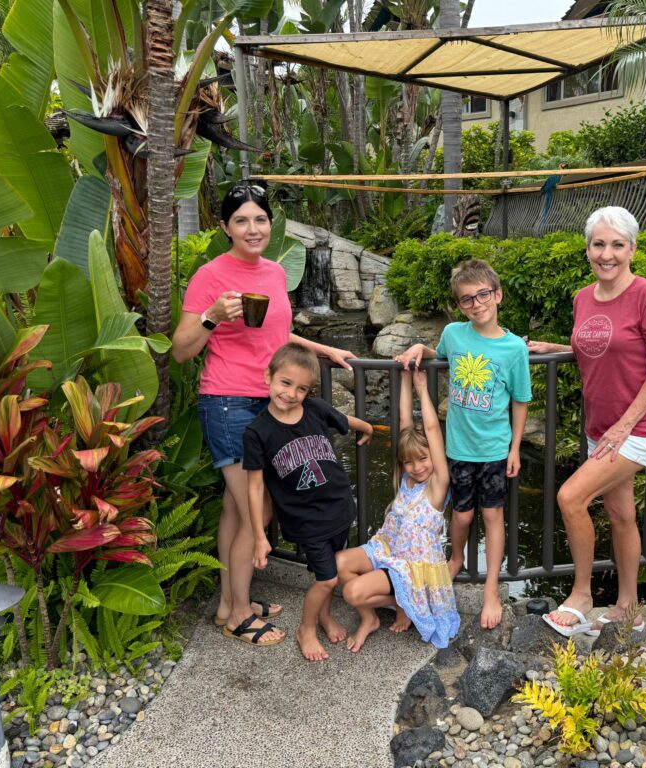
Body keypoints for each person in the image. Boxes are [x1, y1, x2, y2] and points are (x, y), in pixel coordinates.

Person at [172, 183, 355, 648]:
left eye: (260, 219)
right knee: (260, 507)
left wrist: (324, 349)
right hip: (229, 403)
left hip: (271, 404)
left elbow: (282, 334)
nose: (252, 229)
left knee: (237, 507)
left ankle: (231, 603)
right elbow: (180, 351)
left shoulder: (275, 273)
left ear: (270, 224)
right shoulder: (210, 276)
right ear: (225, 227)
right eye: (241, 221)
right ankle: (237, 614)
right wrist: (212, 315)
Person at [527, 206, 646, 637]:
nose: (606, 254)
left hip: (639, 428)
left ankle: (581, 595)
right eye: (598, 244)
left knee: (571, 497)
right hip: (603, 427)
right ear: (588, 248)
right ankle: (629, 606)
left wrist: (623, 427)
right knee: (620, 516)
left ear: (632, 248)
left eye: (616, 244)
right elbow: (600, 346)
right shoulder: (583, 298)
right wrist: (555, 347)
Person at [396, 260, 531, 630]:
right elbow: (438, 354)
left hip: (494, 450)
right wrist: (418, 347)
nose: (476, 303)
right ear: (459, 305)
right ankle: (455, 558)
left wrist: (516, 447)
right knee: (461, 515)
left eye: (483, 295)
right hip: (457, 448)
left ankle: (491, 588)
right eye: (467, 299)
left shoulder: (514, 348)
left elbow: (521, 400)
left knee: (493, 517)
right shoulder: (455, 335)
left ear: (497, 294)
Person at [243, 344, 373, 659]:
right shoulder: (257, 432)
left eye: (301, 388)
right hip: (306, 520)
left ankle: (326, 616)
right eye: (285, 383)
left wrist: (366, 427)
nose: (291, 393)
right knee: (327, 578)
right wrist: (260, 537)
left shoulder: (315, 409)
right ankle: (306, 628)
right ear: (268, 378)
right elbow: (255, 487)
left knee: (328, 572)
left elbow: (342, 419)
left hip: (339, 508)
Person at [335, 368, 460, 652]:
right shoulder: (406, 479)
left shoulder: (437, 485)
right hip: (387, 550)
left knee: (352, 591)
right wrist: (403, 378)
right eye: (409, 462)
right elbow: (405, 424)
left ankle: (406, 602)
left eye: (423, 459)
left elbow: (431, 431)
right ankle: (372, 617)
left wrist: (421, 387)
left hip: (412, 568)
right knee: (339, 563)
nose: (417, 467)